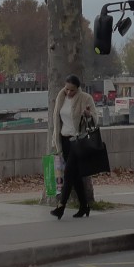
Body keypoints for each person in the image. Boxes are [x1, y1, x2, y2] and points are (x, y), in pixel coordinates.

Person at [50, 74, 97, 219]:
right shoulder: (61, 97)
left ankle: (61, 206)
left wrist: (88, 115)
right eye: (67, 89)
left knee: (68, 172)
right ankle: (84, 206)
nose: (69, 92)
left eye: (72, 90)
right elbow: (57, 120)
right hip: (64, 140)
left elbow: (95, 120)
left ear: (78, 89)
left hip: (77, 140)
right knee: (75, 176)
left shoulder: (85, 98)